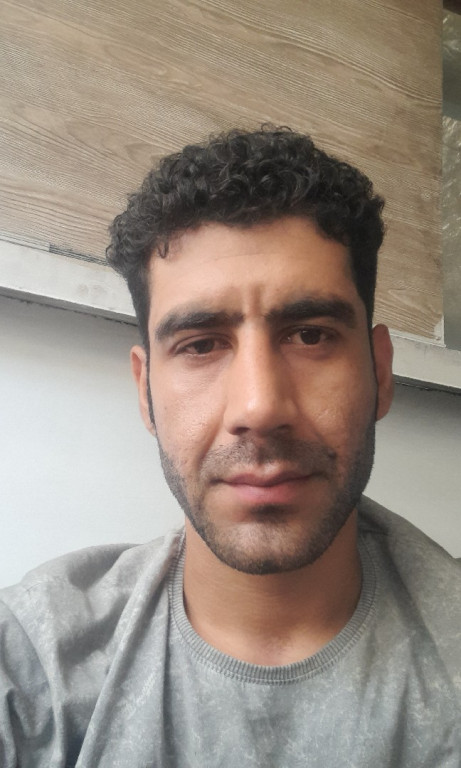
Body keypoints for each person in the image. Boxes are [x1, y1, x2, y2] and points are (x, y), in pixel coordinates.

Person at [0, 126, 459, 767]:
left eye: (310, 335)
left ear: (380, 372)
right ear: (145, 392)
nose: (259, 407)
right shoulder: (35, 660)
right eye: (201, 344)